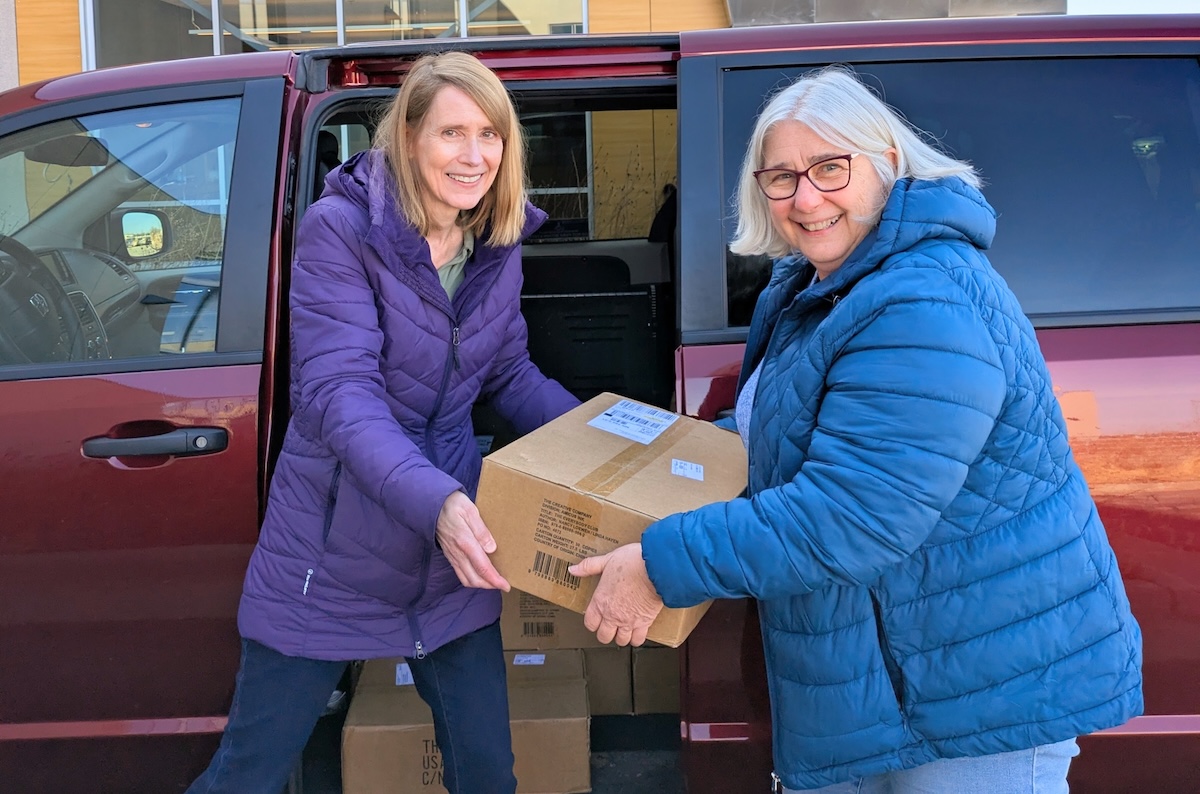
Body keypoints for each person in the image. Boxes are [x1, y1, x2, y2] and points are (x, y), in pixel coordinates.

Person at [568, 66, 1143, 794]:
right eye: (781, 177)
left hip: (975, 697)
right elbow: (797, 431)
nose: (805, 198)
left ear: (889, 162)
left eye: (829, 168)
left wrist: (659, 564)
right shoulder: (817, 285)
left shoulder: (922, 299)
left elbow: (853, 516)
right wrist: (674, 459)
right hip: (890, 679)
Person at [186, 51, 578, 794]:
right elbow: (340, 395)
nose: (474, 155)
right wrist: (440, 505)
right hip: (333, 551)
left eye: (490, 134)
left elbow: (507, 373)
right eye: (451, 133)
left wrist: (607, 439)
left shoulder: (494, 242)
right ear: (408, 138)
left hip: (448, 560)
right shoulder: (342, 232)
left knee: (488, 774)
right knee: (249, 773)